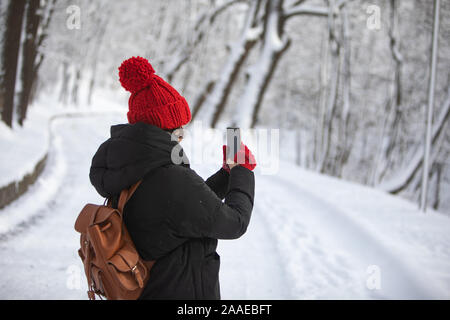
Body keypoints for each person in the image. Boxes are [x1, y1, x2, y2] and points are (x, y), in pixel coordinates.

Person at [89, 56, 256, 299]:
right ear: (164, 129)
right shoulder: (169, 177)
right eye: (179, 129)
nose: (183, 136)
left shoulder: (132, 165)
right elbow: (234, 223)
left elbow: (180, 209)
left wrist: (225, 175)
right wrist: (243, 171)